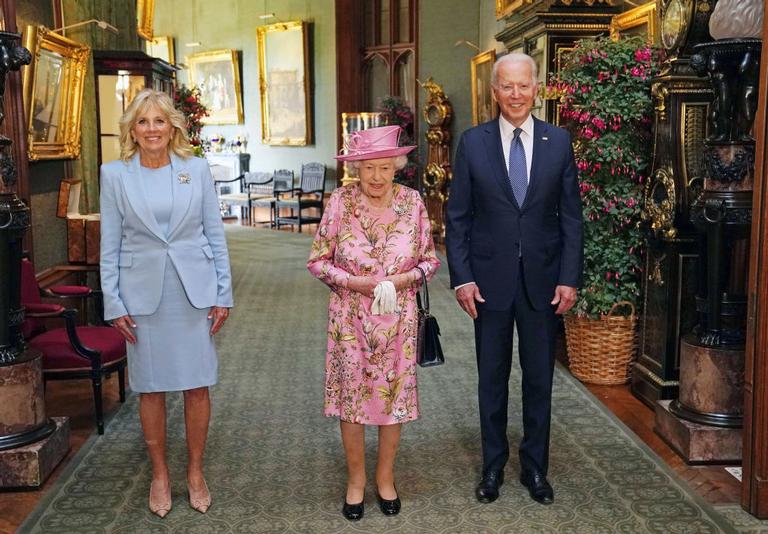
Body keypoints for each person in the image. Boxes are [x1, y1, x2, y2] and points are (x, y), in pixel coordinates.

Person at [445, 53, 583, 506]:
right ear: (494, 91)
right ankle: (491, 468)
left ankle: (535, 470)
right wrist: (462, 279)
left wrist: (569, 277)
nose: (517, 95)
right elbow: (458, 217)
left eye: (524, 86)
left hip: (544, 284)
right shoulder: (473, 142)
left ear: (536, 88)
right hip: (489, 283)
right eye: (507, 86)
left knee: (540, 379)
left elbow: (571, 219)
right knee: (492, 379)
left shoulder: (559, 142)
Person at [100, 89, 233, 518]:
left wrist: (222, 293)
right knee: (151, 387)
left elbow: (215, 234)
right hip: (142, 297)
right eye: (143, 122)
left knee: (197, 383)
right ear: (132, 131)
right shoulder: (115, 175)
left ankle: (195, 471)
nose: (152, 129)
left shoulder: (195, 169)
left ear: (172, 125)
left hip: (193, 292)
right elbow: (111, 245)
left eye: (159, 121)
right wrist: (113, 302)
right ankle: (160, 473)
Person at [307, 125, 440, 521]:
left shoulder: (412, 202)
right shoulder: (339, 201)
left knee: (392, 399)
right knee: (352, 401)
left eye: (385, 167)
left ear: (397, 166)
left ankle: (385, 478)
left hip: (398, 318)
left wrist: (400, 281)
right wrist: (353, 282)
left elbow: (430, 261)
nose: (377, 177)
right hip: (350, 318)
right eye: (368, 169)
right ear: (356, 170)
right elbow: (317, 260)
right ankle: (355, 481)